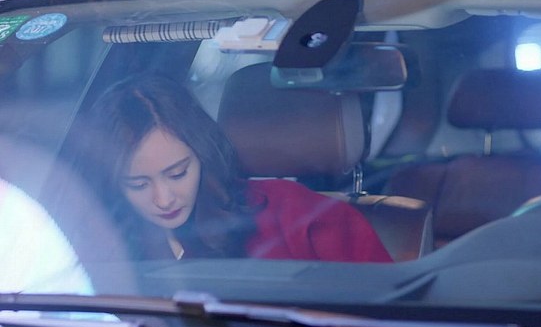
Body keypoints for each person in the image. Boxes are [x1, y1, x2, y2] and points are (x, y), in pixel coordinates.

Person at [79, 73, 392, 263]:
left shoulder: (298, 216)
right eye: (138, 184)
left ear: (203, 155)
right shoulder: (87, 239)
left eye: (177, 174)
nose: (163, 199)